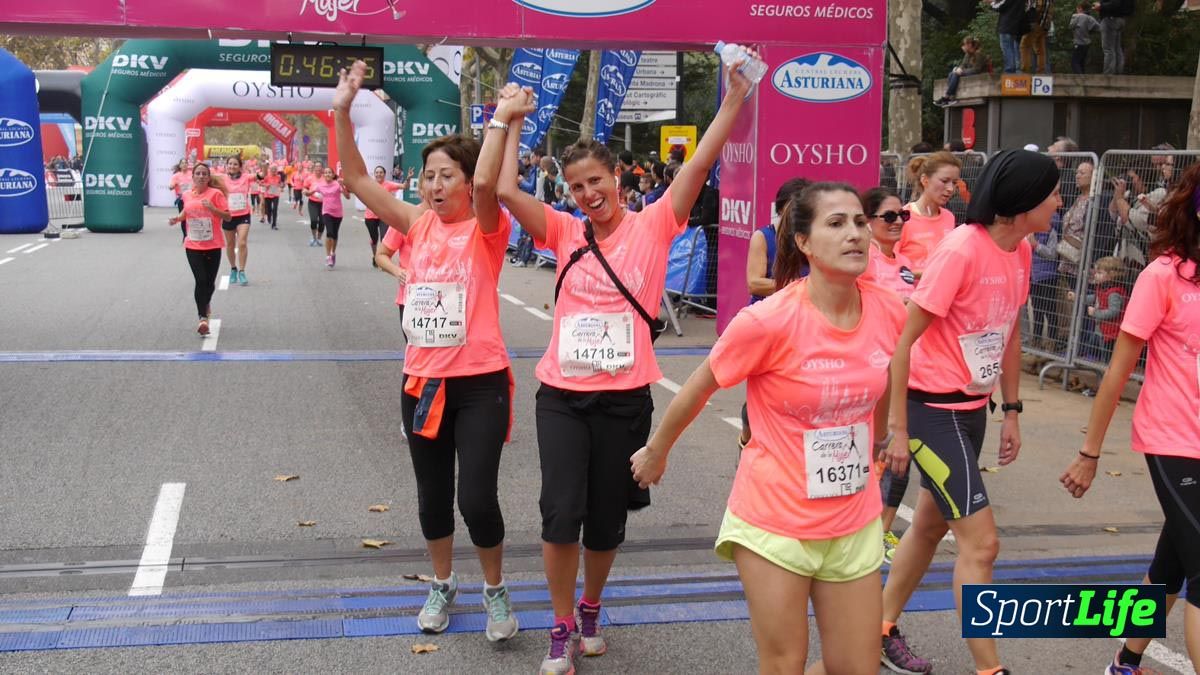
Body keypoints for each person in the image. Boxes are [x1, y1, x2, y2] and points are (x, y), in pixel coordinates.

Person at [486, 55, 756, 675]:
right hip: (561, 393)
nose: (587, 195)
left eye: (595, 182)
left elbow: (698, 164)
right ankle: (559, 627)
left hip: (626, 398)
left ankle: (590, 607)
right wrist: (514, 124)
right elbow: (504, 191)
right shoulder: (561, 230)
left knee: (605, 520)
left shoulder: (657, 224)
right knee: (560, 511)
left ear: (617, 179)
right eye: (576, 187)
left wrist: (734, 101)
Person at [632, 181, 907, 675]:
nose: (855, 235)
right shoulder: (769, 320)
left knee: (856, 666)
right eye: (836, 223)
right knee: (785, 664)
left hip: (853, 516)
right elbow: (700, 385)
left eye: (860, 223)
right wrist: (657, 450)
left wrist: (884, 433)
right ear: (802, 241)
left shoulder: (887, 308)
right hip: (775, 521)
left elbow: (883, 371)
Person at [335, 60, 519, 643]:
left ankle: (494, 589)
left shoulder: (486, 231)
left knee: (477, 498)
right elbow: (359, 179)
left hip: (481, 382)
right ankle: (442, 582)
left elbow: (492, 184)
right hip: (422, 383)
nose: (434, 185)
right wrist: (342, 108)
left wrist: (501, 121)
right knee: (432, 498)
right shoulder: (415, 225)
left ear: (465, 182)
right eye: (428, 176)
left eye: (445, 175)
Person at [879, 150, 1060, 675]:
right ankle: (990, 670)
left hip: (972, 410)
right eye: (1050, 192)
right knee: (983, 544)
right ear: (1022, 201)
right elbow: (903, 342)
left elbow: (1007, 329)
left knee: (930, 528)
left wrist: (1013, 409)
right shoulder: (960, 250)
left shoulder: (1021, 251)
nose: (1057, 201)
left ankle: (880, 626)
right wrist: (897, 428)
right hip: (931, 412)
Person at [1061, 163, 1200, 675]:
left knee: (1174, 563)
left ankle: (1125, 658)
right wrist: (1089, 453)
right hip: (1176, 439)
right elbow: (1117, 371)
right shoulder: (1162, 277)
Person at [737, 178, 811, 451]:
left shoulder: (812, 240)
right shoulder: (764, 236)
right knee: (761, 396)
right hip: (769, 325)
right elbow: (755, 282)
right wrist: (799, 286)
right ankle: (748, 437)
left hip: (807, 324)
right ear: (782, 208)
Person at [167, 163, 231, 336]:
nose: (201, 176)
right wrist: (177, 219)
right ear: (193, 177)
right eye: (198, 173)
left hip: (213, 244)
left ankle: (206, 302)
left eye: (204, 174)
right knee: (200, 280)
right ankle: (202, 317)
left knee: (209, 283)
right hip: (193, 244)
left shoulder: (216, 194)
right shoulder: (186, 195)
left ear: (208, 178)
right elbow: (186, 213)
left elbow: (227, 216)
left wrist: (212, 208)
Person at [897, 151, 961, 277]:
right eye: (944, 181)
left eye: (954, 182)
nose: (950, 189)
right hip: (910, 294)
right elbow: (889, 266)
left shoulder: (949, 217)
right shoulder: (902, 218)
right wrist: (929, 274)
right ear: (925, 180)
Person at [1069, 256, 1129, 363]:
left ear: (1111, 276)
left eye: (1100, 273)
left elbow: (1114, 312)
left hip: (1111, 333)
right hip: (1102, 331)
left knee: (1108, 358)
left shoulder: (1114, 293)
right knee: (1096, 348)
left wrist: (1096, 313)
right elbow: (1093, 298)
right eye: (1096, 272)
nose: (1095, 275)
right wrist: (1077, 297)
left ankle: (1106, 375)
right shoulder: (1102, 288)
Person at [221, 156, 254, 286]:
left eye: (235, 164)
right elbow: (204, 179)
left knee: (242, 243)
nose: (232, 166)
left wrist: (265, 165)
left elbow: (261, 176)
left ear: (240, 166)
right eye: (230, 164)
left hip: (243, 215)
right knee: (230, 244)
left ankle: (242, 271)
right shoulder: (221, 178)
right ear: (227, 165)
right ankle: (233, 268)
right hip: (228, 215)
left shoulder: (246, 177)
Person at [309, 166, 349, 269]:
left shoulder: (337, 184)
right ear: (323, 175)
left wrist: (342, 186)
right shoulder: (320, 185)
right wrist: (305, 192)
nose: (327, 174)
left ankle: (333, 253)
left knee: (335, 235)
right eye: (325, 173)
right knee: (329, 233)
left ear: (333, 174)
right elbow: (311, 192)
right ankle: (328, 256)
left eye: (329, 173)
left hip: (338, 213)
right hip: (326, 212)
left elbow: (347, 196)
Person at [364, 165, 403, 267]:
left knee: (384, 238)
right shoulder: (369, 185)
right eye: (377, 172)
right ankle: (375, 256)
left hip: (384, 216)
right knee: (374, 239)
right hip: (370, 216)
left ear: (384, 174)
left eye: (381, 172)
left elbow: (403, 186)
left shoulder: (388, 184)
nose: (379, 174)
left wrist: (407, 179)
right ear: (374, 174)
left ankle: (381, 260)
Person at [935, 37, 985, 106]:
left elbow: (977, 69)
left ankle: (947, 97)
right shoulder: (968, 54)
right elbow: (963, 65)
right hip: (970, 72)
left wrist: (962, 72)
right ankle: (950, 98)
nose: (963, 47)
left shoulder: (978, 54)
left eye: (964, 44)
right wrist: (958, 69)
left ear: (969, 45)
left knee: (956, 74)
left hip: (979, 74)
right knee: (951, 74)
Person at [1095, 0, 1134, 75]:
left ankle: (1108, 74)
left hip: (1110, 19)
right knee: (1116, 48)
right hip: (1120, 19)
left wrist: (1101, 6)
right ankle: (1118, 71)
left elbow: (1115, 3)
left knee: (1108, 49)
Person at [991, 0, 1030, 74]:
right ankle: (1018, 72)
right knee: (1017, 50)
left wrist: (992, 3)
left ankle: (1010, 72)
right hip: (1018, 27)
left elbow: (1000, 7)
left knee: (1007, 50)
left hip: (1006, 26)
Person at [1021, 0, 1053, 74]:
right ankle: (1041, 72)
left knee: (1025, 45)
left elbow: (1031, 7)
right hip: (1045, 25)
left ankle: (1025, 71)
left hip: (1036, 23)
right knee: (1040, 49)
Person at [1070, 3, 1101, 73]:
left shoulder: (1076, 16)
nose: (1076, 10)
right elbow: (1099, 28)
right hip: (1087, 43)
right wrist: (1090, 31)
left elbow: (1071, 26)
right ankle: (1083, 79)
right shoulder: (1090, 18)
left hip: (1078, 42)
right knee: (1082, 62)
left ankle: (1079, 80)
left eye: (1077, 8)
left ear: (1080, 8)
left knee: (1074, 62)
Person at [304, 161, 326, 246]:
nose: (318, 168)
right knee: (313, 220)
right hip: (312, 202)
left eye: (319, 167)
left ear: (322, 168)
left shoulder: (325, 178)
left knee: (322, 222)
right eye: (316, 167)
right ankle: (314, 237)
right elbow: (305, 188)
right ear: (314, 168)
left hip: (324, 203)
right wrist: (306, 191)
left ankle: (319, 238)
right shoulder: (309, 178)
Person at [259, 165, 282, 230]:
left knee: (275, 209)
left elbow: (280, 183)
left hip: (276, 194)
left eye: (275, 169)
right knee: (269, 209)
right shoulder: (266, 177)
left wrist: (281, 185)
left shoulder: (278, 176)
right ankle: (269, 216)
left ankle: (274, 224)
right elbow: (260, 183)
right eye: (272, 169)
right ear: (270, 170)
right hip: (268, 195)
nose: (274, 171)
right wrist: (266, 185)